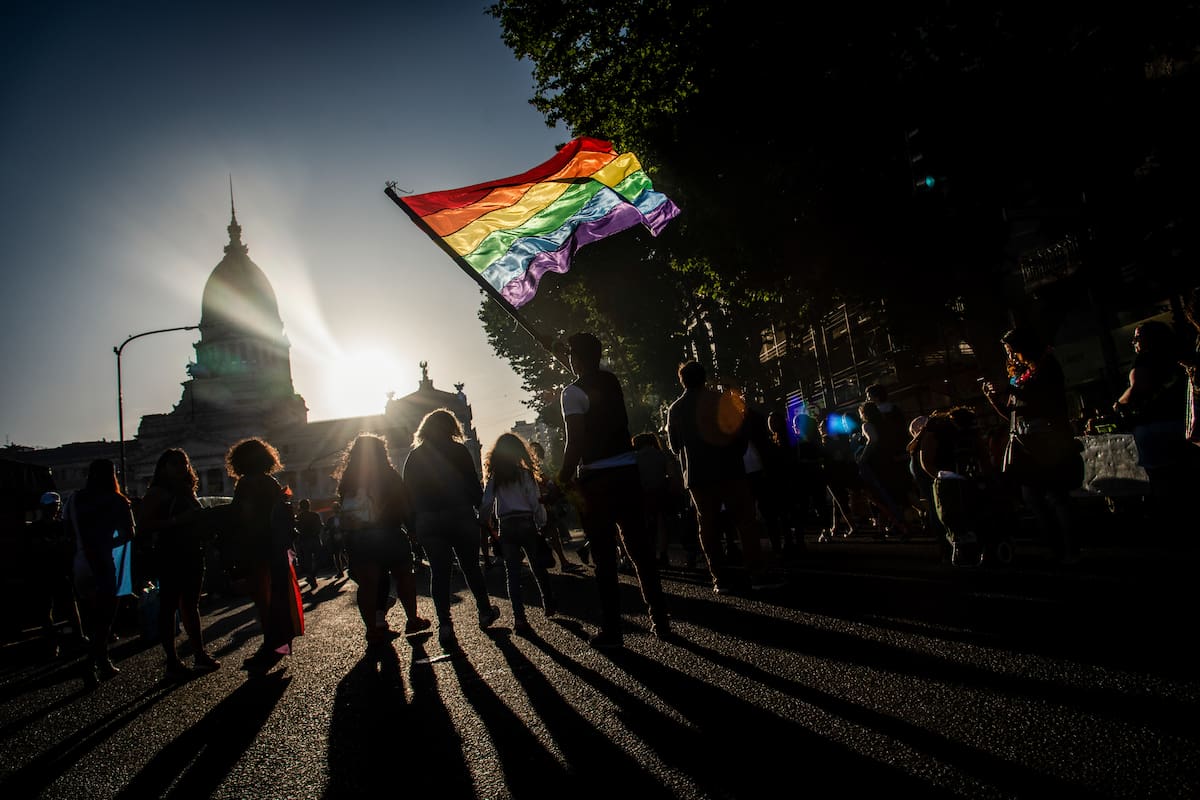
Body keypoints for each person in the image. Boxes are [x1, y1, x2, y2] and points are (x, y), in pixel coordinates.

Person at [558, 332, 670, 648]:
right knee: (640, 550)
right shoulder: (611, 382)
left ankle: (613, 630)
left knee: (604, 558)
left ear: (575, 359)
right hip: (627, 473)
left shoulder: (572, 392)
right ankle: (660, 619)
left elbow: (575, 441)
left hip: (597, 479)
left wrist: (562, 478)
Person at [667, 360, 777, 594]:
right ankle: (757, 573)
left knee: (708, 525)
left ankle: (720, 577)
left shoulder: (676, 409)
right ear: (704, 377)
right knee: (745, 522)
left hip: (697, 474)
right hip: (730, 470)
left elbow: (674, 446)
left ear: (681, 380)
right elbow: (741, 433)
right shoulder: (720, 400)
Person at [982, 327, 1083, 565]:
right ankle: (1055, 547)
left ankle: (1071, 550)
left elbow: (1043, 402)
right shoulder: (1020, 375)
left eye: (1011, 350)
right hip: (1025, 442)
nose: (1009, 355)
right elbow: (1012, 414)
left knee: (1057, 496)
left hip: (1048, 439)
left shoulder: (1047, 368)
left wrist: (1010, 389)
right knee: (1033, 497)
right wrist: (994, 398)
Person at [402, 409, 499, 653]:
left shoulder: (414, 456)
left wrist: (412, 525)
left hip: (428, 519)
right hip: (460, 514)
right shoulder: (459, 451)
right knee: (470, 567)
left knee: (439, 572)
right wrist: (481, 510)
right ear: (452, 427)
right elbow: (471, 482)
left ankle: (445, 625)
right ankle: (485, 611)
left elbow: (407, 495)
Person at [334, 433, 432, 646]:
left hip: (360, 538)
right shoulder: (389, 474)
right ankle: (413, 620)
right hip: (390, 533)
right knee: (404, 576)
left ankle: (373, 630)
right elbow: (405, 504)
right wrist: (413, 530)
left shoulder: (348, 479)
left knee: (368, 585)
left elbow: (344, 510)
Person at [136, 448, 221, 680]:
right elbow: (143, 525)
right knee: (169, 606)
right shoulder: (157, 492)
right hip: (170, 553)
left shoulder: (187, 491)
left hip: (193, 552)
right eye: (174, 464)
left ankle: (199, 654)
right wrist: (177, 521)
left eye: (183, 463)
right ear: (163, 467)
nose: (180, 467)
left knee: (191, 605)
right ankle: (172, 661)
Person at [225, 437, 304, 675]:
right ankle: (279, 643)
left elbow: (242, 515)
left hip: (257, 547)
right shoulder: (271, 482)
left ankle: (272, 645)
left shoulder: (247, 484)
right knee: (278, 595)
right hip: (276, 547)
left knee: (264, 599)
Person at [1112, 319, 1197, 530]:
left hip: (1155, 428)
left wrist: (1119, 404)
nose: (1134, 343)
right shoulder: (1177, 356)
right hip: (1183, 424)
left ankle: (1176, 526)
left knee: (1164, 481)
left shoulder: (1145, 359)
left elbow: (1138, 387)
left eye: (1137, 338)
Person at [65, 459, 135, 686]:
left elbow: (66, 529)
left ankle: (103, 661)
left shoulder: (74, 499)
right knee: (104, 619)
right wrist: (108, 543)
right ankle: (90, 665)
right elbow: (129, 534)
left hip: (80, 563)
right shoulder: (117, 500)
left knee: (91, 617)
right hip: (103, 564)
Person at [480, 433, 558, 634]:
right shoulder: (525, 474)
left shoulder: (495, 476)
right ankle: (548, 603)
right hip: (526, 522)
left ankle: (520, 618)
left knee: (512, 573)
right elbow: (535, 500)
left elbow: (487, 503)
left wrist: (486, 523)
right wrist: (541, 522)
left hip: (506, 525)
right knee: (537, 566)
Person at [28, 491, 85, 659]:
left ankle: (73, 638)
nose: (54, 509)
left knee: (66, 606)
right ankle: (56, 643)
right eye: (51, 506)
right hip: (47, 573)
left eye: (55, 506)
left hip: (56, 573)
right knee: (49, 610)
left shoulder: (55, 527)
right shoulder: (45, 528)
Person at [529, 441, 583, 573]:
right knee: (550, 535)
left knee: (551, 534)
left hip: (541, 506)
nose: (540, 458)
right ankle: (559, 564)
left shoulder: (533, 469)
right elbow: (544, 483)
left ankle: (554, 564)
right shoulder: (529, 469)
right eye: (538, 454)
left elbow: (547, 482)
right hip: (538, 506)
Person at [294, 498, 324, 591]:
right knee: (319, 559)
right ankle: (312, 576)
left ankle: (311, 577)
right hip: (315, 539)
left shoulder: (298, 517)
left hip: (305, 541)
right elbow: (320, 526)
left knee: (308, 562)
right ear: (309, 505)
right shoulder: (315, 515)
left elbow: (296, 529)